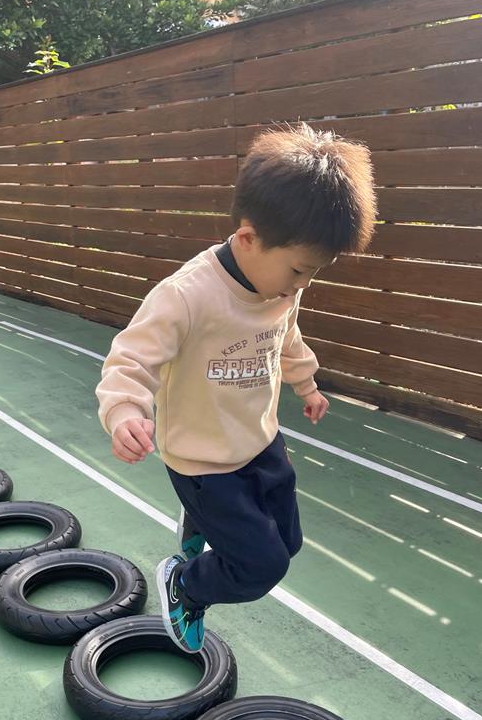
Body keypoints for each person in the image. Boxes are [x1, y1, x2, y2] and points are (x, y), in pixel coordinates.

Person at [96, 123, 376, 653]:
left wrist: (307, 384)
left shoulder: (281, 287)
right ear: (248, 239)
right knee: (260, 567)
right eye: (299, 270)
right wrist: (125, 411)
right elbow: (130, 359)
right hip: (203, 462)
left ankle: (202, 524)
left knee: (288, 544)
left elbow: (286, 336)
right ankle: (186, 585)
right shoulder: (186, 296)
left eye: (313, 273)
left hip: (260, 442)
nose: (302, 285)